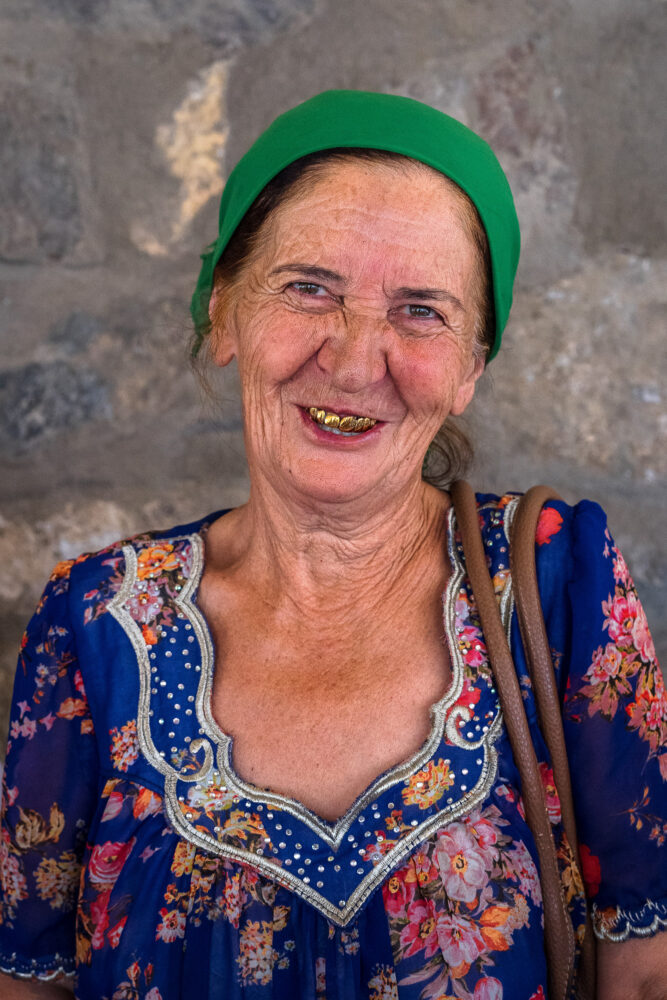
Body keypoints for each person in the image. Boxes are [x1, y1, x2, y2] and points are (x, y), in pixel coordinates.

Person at [0, 90, 665, 1000]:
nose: (355, 361)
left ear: (470, 366)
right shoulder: (95, 624)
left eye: (420, 311)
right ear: (225, 310)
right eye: (309, 288)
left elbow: (646, 968)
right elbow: (26, 981)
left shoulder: (558, 582)